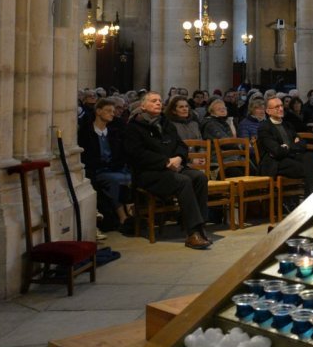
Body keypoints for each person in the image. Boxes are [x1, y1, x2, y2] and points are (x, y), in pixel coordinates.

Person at [121, 92, 215, 250]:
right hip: (149, 173)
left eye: (159, 100)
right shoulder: (134, 127)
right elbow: (137, 154)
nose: (158, 103)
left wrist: (179, 157)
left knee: (199, 177)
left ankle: (200, 227)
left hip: (173, 168)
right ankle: (192, 233)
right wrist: (165, 162)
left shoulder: (166, 123)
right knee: (183, 181)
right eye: (153, 101)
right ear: (142, 106)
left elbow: (181, 145)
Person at [77, 98, 132, 231]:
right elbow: (86, 156)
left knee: (131, 177)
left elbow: (121, 153)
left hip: (115, 168)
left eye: (113, 111)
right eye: (108, 111)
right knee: (114, 181)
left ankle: (131, 213)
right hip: (97, 170)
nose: (112, 114)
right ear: (98, 111)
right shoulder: (86, 132)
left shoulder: (114, 132)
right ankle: (123, 216)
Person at [256, 96, 313, 205]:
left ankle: (310, 200)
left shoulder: (288, 124)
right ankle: (312, 201)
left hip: (291, 157)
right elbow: (276, 151)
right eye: (277, 107)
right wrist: (293, 145)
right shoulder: (264, 127)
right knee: (311, 169)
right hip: (275, 162)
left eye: (281, 106)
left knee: (309, 157)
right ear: (268, 111)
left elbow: (302, 144)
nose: (281, 109)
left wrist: (287, 146)